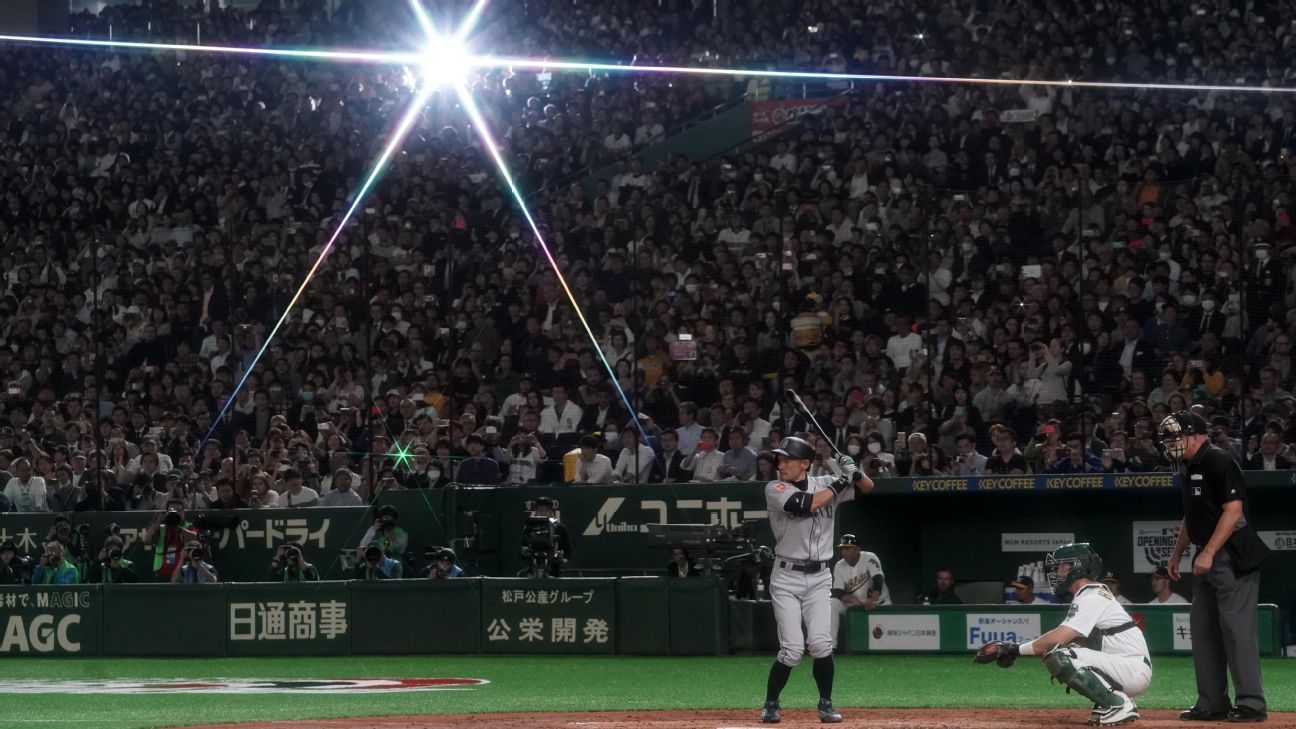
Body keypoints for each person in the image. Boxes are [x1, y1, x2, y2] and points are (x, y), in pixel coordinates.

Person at [1159, 410, 1269, 722]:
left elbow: (1233, 512)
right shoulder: (1188, 466)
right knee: (1203, 630)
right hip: (1205, 555)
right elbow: (1191, 515)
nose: (1170, 444)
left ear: (1195, 435)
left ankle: (1252, 704)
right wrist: (1177, 552)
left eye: (1175, 437)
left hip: (1231, 554)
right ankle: (1212, 702)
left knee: (1237, 631)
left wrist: (1207, 552)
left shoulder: (1219, 461)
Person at [759, 436, 874, 724]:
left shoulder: (824, 482)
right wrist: (841, 479)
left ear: (805, 463)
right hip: (786, 576)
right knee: (793, 649)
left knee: (822, 644)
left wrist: (854, 470)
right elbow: (805, 504)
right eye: (779, 459)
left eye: (786, 459)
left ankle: (825, 703)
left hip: (820, 576)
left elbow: (868, 487)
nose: (780, 464)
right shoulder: (775, 488)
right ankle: (771, 703)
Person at [973, 543, 1148, 727]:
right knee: (1064, 649)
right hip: (1125, 666)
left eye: (1063, 566)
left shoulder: (1092, 596)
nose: (1058, 572)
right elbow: (1067, 638)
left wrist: (1015, 649)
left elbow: (1058, 638)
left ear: (1077, 568)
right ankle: (1108, 700)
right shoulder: (1091, 594)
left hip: (1131, 670)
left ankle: (1118, 704)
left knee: (1059, 654)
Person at [830, 534, 889, 651]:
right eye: (843, 549)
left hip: (879, 603)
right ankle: (830, 647)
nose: (844, 552)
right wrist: (852, 599)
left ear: (857, 549)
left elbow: (878, 578)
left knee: (883, 643)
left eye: (848, 548)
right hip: (856, 605)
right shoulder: (839, 565)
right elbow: (837, 592)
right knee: (832, 603)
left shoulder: (869, 557)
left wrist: (873, 599)